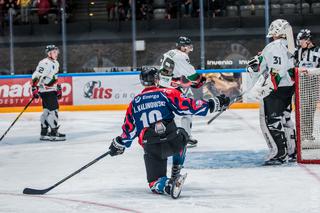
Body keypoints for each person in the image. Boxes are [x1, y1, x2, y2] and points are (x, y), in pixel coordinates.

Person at [108, 67, 230, 198]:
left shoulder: (134, 103)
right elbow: (189, 107)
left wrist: (119, 144)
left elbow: (129, 131)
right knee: (183, 134)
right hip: (172, 140)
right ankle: (176, 168)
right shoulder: (167, 93)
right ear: (157, 79)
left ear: (142, 82)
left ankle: (167, 185)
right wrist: (214, 104)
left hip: (151, 146)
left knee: (154, 183)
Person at [247, 19, 300, 165]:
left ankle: (278, 154)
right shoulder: (290, 46)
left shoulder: (274, 46)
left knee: (271, 121)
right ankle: (291, 151)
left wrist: (266, 87)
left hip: (275, 90)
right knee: (285, 119)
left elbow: (277, 69)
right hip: (288, 88)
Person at [159, 36, 206, 147]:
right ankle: (186, 137)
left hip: (161, 86)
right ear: (183, 47)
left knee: (165, 114)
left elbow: (175, 72)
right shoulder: (181, 56)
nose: (190, 48)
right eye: (188, 46)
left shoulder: (170, 52)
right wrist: (199, 80)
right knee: (188, 110)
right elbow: (192, 75)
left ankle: (161, 137)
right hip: (171, 89)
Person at [31, 44, 65, 141]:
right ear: (49, 53)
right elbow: (37, 75)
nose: (56, 53)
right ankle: (54, 133)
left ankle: (44, 132)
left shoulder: (56, 63)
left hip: (51, 90)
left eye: (56, 51)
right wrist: (34, 88)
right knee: (54, 111)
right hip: (46, 91)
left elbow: (53, 77)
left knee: (46, 111)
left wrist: (57, 87)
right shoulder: (44, 63)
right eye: (54, 52)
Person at [294, 29, 320, 143]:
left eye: (301, 40)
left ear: (308, 40)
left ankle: (308, 134)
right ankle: (302, 134)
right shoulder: (298, 52)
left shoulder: (318, 51)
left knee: (311, 110)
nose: (299, 42)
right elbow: (293, 66)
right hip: (301, 84)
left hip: (314, 84)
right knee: (303, 110)